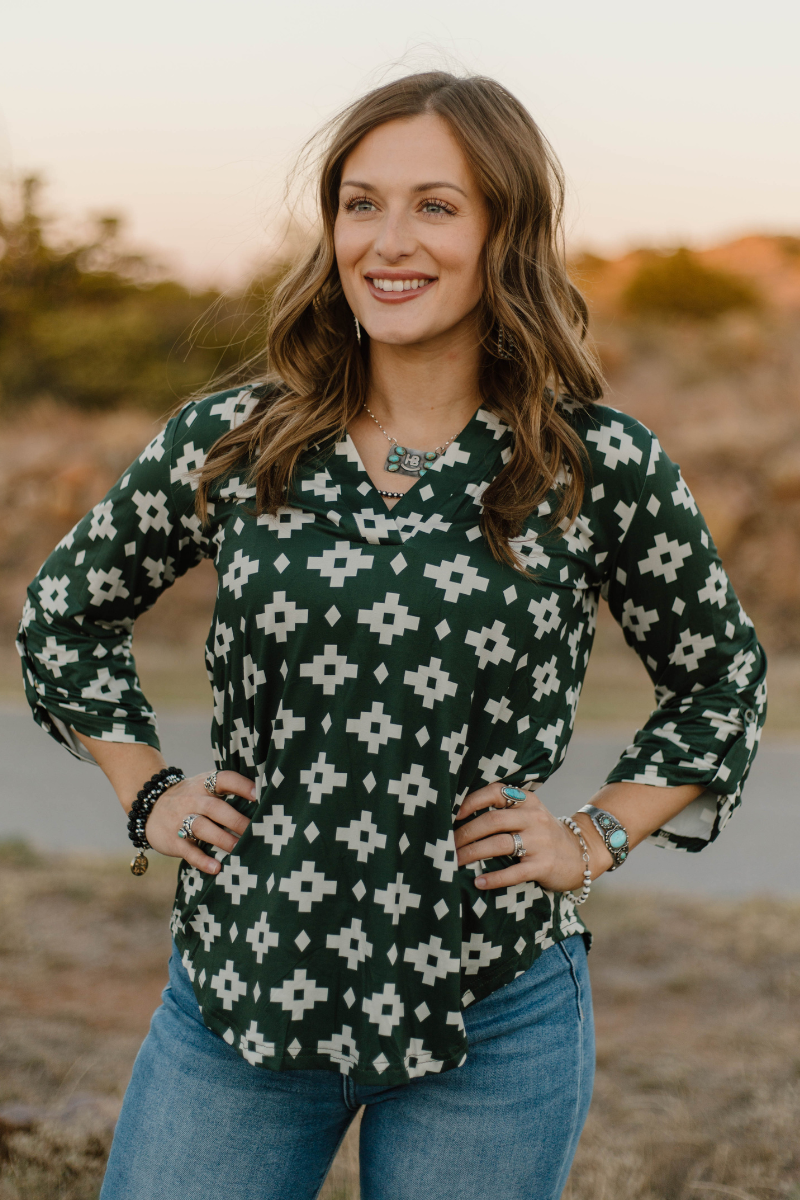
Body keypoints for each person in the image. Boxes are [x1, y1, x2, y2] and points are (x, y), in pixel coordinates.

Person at [18, 71, 766, 1200]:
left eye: (435, 205)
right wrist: (147, 791)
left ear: (505, 232)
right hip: (247, 986)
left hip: (492, 1005)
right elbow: (65, 612)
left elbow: (721, 680)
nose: (387, 240)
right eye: (360, 203)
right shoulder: (238, 441)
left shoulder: (595, 464)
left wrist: (595, 836)